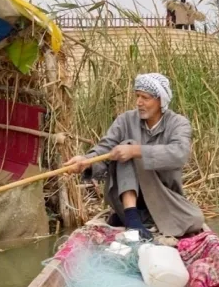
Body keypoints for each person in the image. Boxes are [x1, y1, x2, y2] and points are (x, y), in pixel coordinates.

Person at [65, 73, 205, 240]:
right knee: (128, 145)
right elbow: (105, 150)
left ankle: (133, 218)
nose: (139, 102)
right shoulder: (125, 120)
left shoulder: (178, 123)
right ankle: (131, 217)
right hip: (127, 199)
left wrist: (136, 151)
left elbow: (179, 154)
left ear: (160, 100)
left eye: (145, 98)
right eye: (137, 96)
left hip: (163, 198)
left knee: (195, 220)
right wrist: (86, 162)